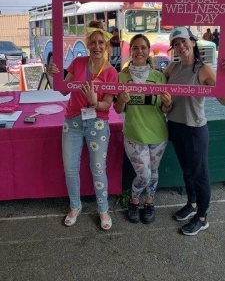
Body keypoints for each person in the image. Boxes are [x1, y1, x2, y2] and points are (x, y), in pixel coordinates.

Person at [48, 20, 118, 230]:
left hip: (97, 123)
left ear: (106, 45)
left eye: (101, 42)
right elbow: (62, 90)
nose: (97, 46)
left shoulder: (111, 72)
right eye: (93, 42)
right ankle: (75, 206)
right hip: (73, 121)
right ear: (88, 44)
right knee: (70, 168)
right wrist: (54, 75)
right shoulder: (78, 63)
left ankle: (103, 209)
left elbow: (107, 104)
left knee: (98, 169)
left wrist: (95, 101)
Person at [164, 26, 225, 236]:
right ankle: (191, 204)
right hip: (175, 125)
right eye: (176, 43)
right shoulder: (172, 68)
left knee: (200, 175)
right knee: (187, 171)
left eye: (183, 41)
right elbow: (155, 89)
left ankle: (202, 217)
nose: (181, 46)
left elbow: (223, 100)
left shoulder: (204, 70)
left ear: (192, 41)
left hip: (195, 129)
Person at [113, 34, 172, 224]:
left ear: (148, 52)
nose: (139, 51)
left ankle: (149, 202)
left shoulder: (159, 77)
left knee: (153, 172)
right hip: (134, 134)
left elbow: (164, 109)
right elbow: (118, 109)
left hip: (158, 134)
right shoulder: (121, 77)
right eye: (135, 48)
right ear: (130, 52)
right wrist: (121, 100)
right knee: (144, 174)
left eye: (143, 48)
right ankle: (133, 200)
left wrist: (168, 104)